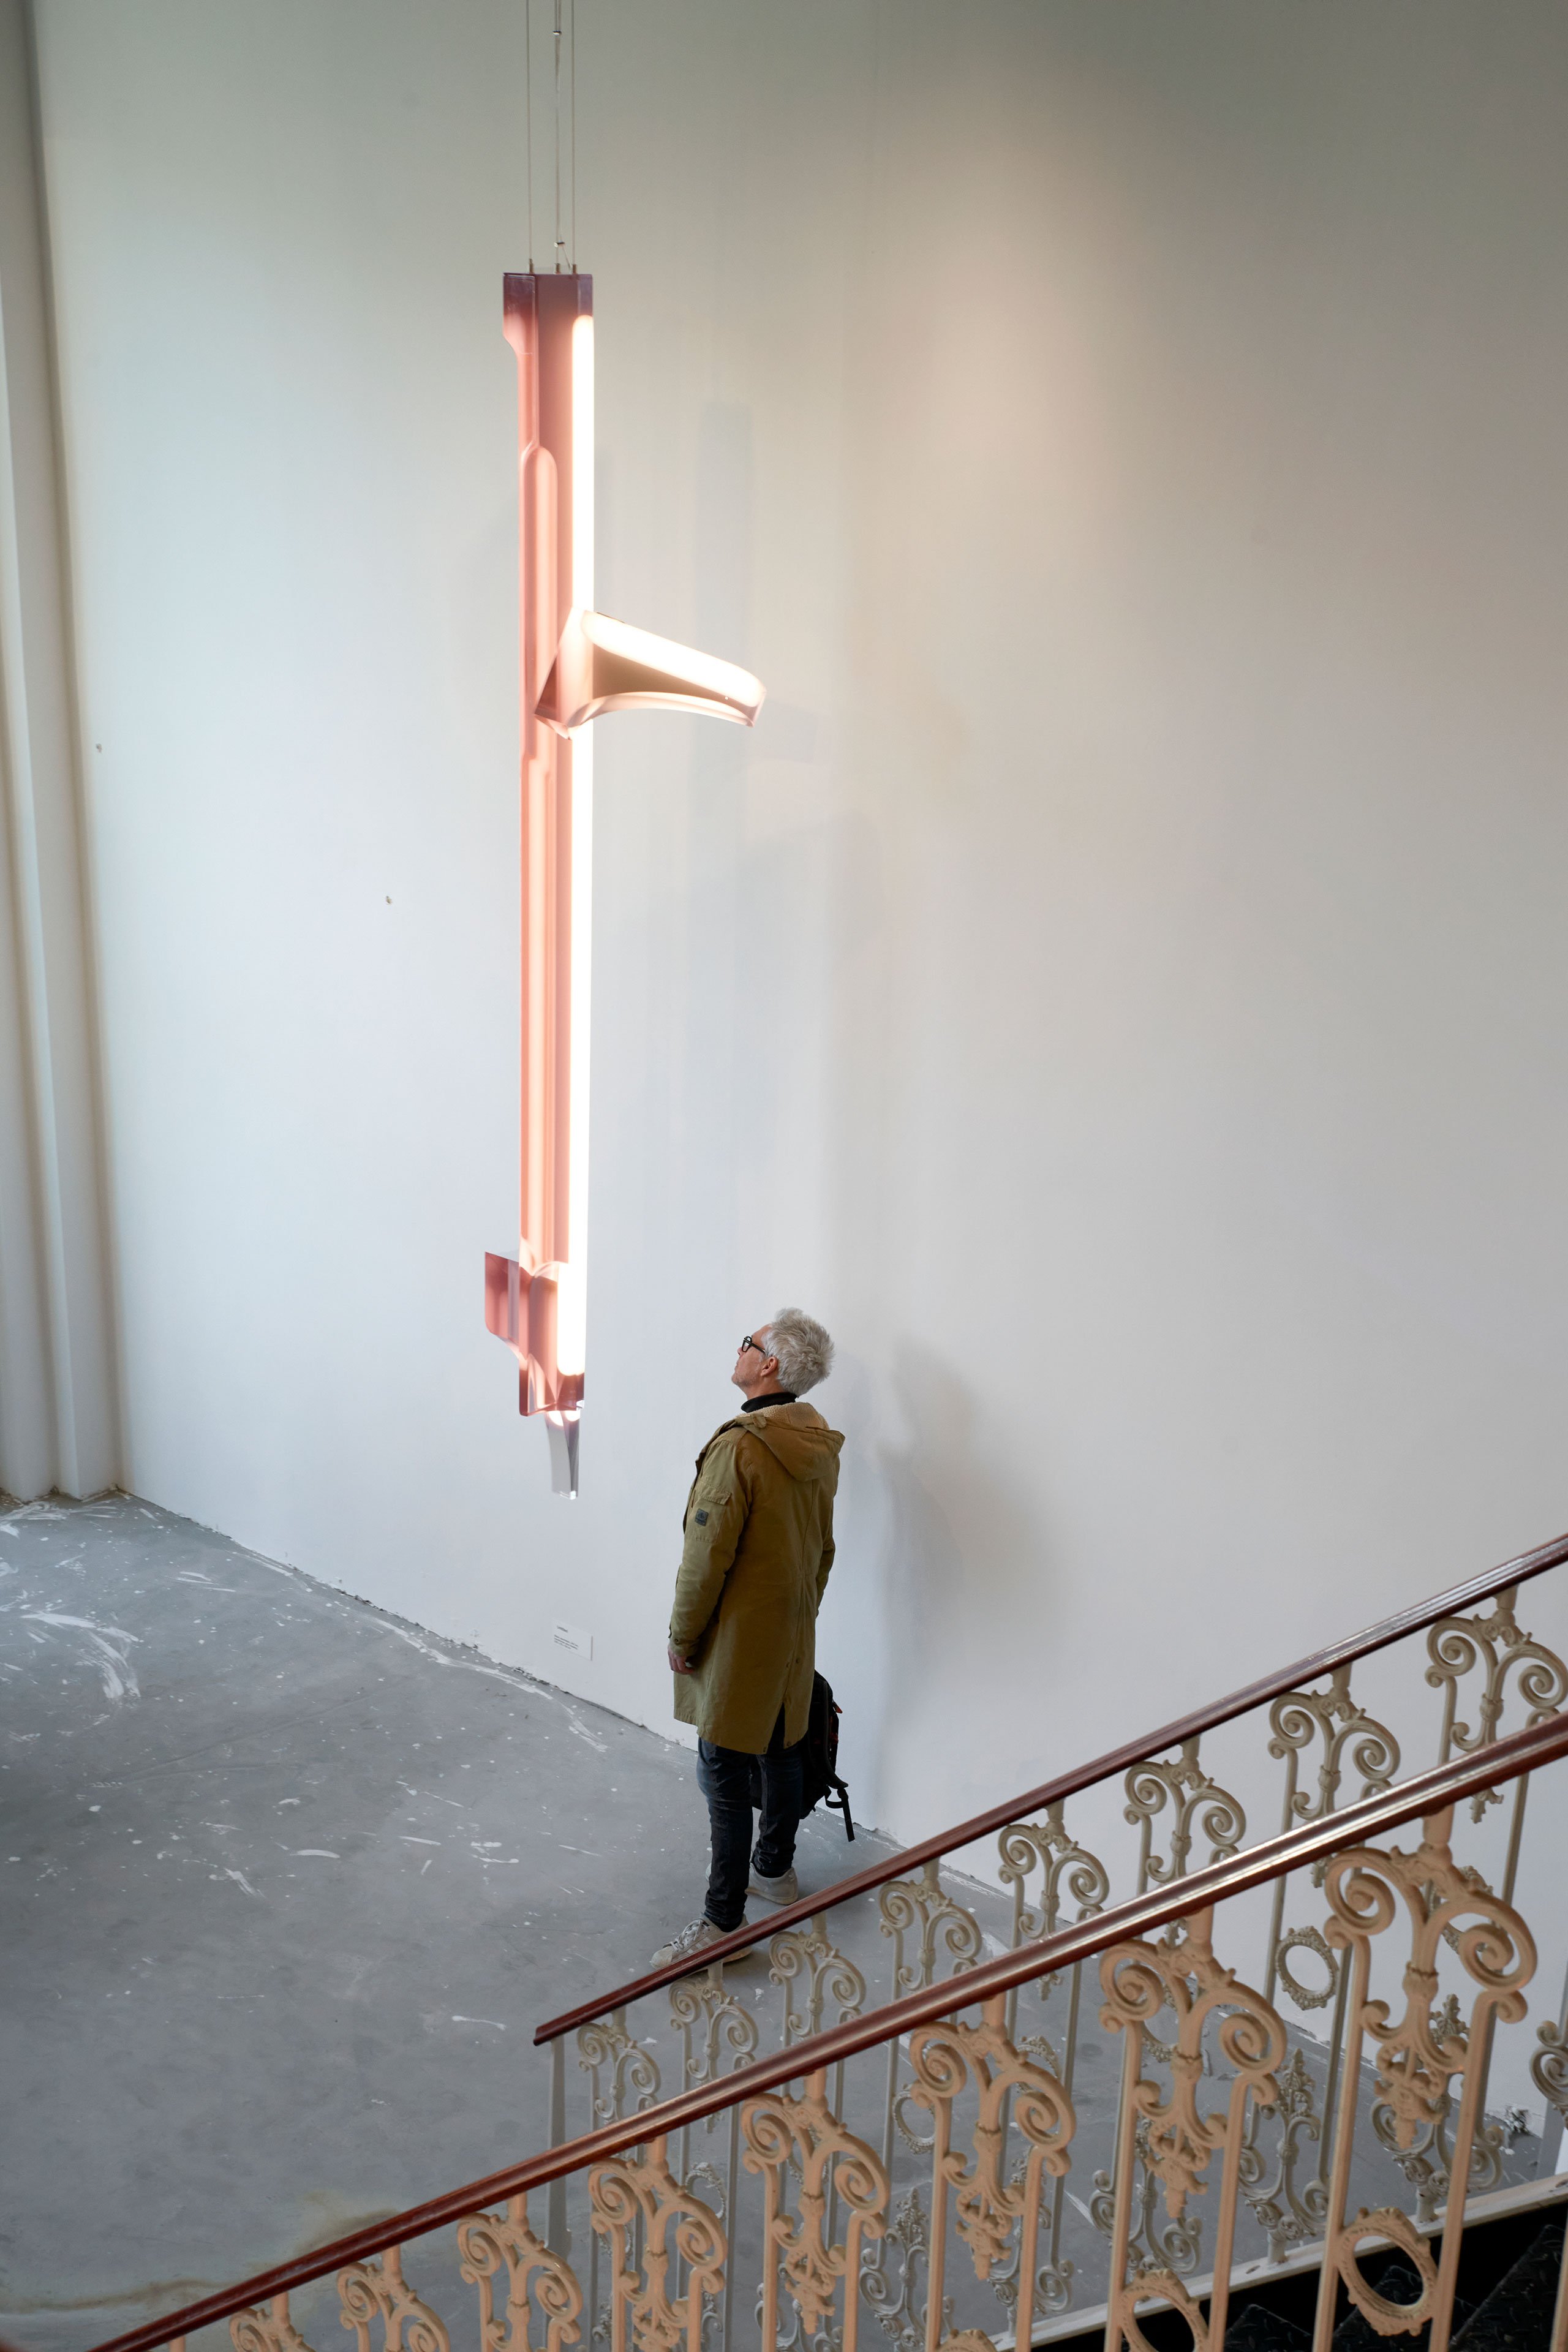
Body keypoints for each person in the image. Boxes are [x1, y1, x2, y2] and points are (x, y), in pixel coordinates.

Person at [653, 1310, 843, 1967]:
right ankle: (776, 1872)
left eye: (749, 1343)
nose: (738, 1349)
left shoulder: (741, 1445)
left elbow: (705, 1558)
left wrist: (683, 1635)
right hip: (790, 1634)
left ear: (767, 1367)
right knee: (781, 1749)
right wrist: (798, 1620)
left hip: (737, 1640)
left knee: (723, 1770)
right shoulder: (816, 1442)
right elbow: (824, 1549)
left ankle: (722, 1926)